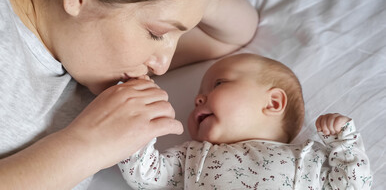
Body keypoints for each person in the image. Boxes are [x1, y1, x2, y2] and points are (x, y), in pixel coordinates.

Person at [0, 0, 259, 189]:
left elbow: (234, 32)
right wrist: (88, 146)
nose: (162, 64)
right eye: (156, 33)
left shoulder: (87, 56)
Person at [118, 53, 373, 189]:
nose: (198, 99)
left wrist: (344, 144)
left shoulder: (307, 158)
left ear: (273, 103)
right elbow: (146, 176)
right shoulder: (192, 157)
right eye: (199, 93)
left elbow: (353, 186)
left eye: (218, 84)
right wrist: (139, 120)